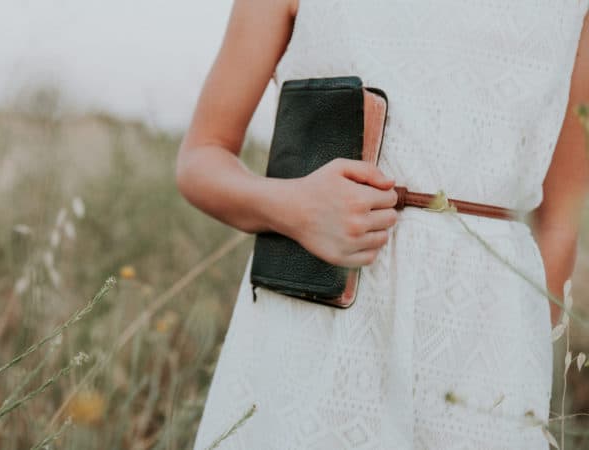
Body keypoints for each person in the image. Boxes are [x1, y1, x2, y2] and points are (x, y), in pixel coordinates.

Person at [175, 0, 589, 448]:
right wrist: (293, 206)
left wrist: (519, 362)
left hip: (486, 351)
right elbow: (202, 156)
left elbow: (562, 220)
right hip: (315, 332)